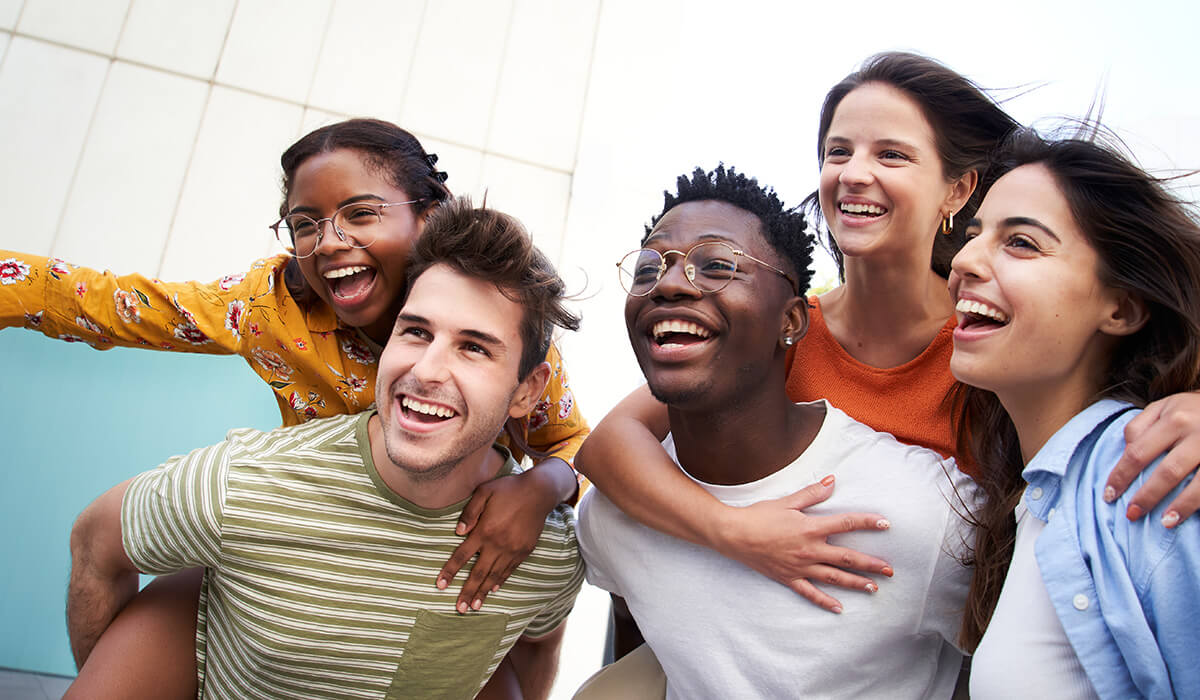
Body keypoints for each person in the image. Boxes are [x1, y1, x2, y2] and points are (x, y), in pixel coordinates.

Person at [574, 52, 1200, 612]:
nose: (853, 173)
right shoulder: (787, 330)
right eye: (838, 152)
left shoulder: (997, 343)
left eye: (891, 154)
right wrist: (732, 531)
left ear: (958, 189)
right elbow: (607, 447)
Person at [0, 118, 587, 696]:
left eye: (361, 213)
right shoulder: (269, 309)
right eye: (305, 225)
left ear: (427, 218)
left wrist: (541, 487)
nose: (328, 241)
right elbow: (120, 306)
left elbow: (574, 442)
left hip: (440, 556)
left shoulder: (504, 326)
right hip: (309, 540)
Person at [574, 165, 978, 699]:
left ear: (791, 321)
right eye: (649, 267)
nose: (669, 284)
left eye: (717, 265)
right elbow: (635, 626)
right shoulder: (614, 512)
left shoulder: (927, 515)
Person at [948, 129, 1200, 698]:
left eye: (1021, 243)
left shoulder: (1151, 477)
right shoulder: (1030, 494)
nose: (963, 260)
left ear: (1122, 309)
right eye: (975, 235)